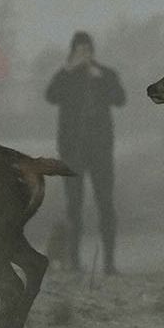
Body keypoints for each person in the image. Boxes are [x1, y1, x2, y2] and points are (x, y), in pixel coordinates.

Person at [44, 31, 125, 274]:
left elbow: (120, 99)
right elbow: (51, 96)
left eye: (87, 50)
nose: (84, 55)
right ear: (72, 52)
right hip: (73, 152)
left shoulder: (106, 74)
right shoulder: (66, 77)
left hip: (101, 150)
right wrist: (68, 69)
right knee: (74, 207)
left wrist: (101, 78)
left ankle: (109, 263)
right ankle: (74, 262)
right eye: (79, 50)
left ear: (93, 50)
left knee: (106, 205)